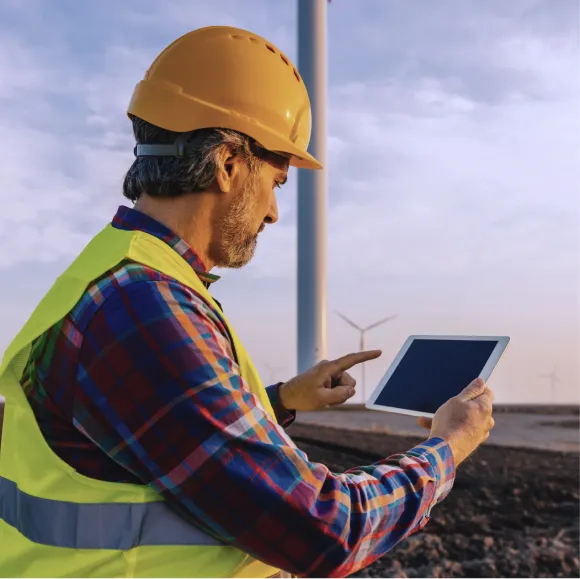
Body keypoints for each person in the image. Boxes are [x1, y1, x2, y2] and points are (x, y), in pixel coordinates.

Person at [0, 26, 495, 578]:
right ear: (229, 162)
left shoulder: (125, 274)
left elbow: (165, 432)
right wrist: (448, 447)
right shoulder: (143, 307)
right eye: (277, 182)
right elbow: (326, 530)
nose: (274, 213)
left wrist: (283, 398)